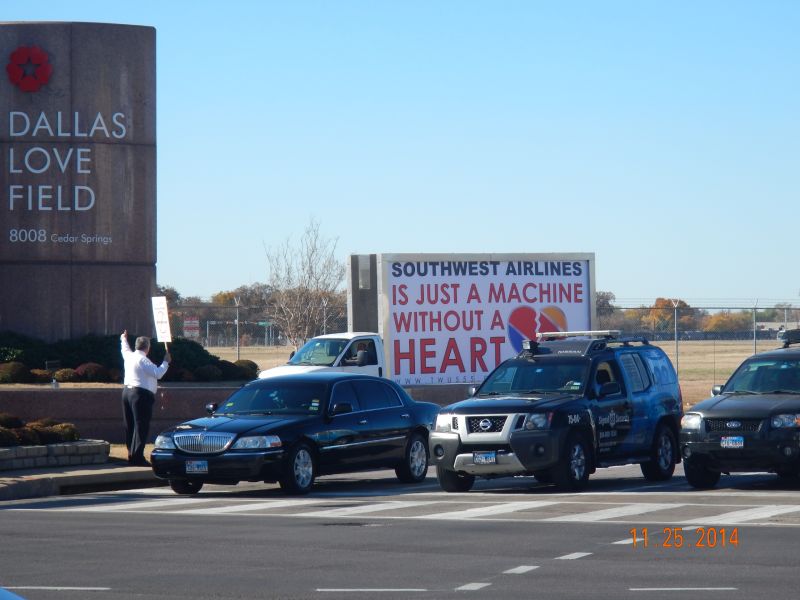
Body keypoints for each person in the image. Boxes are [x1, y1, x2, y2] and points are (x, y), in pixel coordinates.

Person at [120, 330, 170, 466]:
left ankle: (131, 453)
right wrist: (166, 362)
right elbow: (158, 373)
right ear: (147, 347)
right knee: (141, 425)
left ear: (137, 346)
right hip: (140, 395)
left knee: (129, 424)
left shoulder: (129, 356)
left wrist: (123, 338)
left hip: (126, 393)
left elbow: (124, 348)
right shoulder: (143, 359)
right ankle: (138, 457)